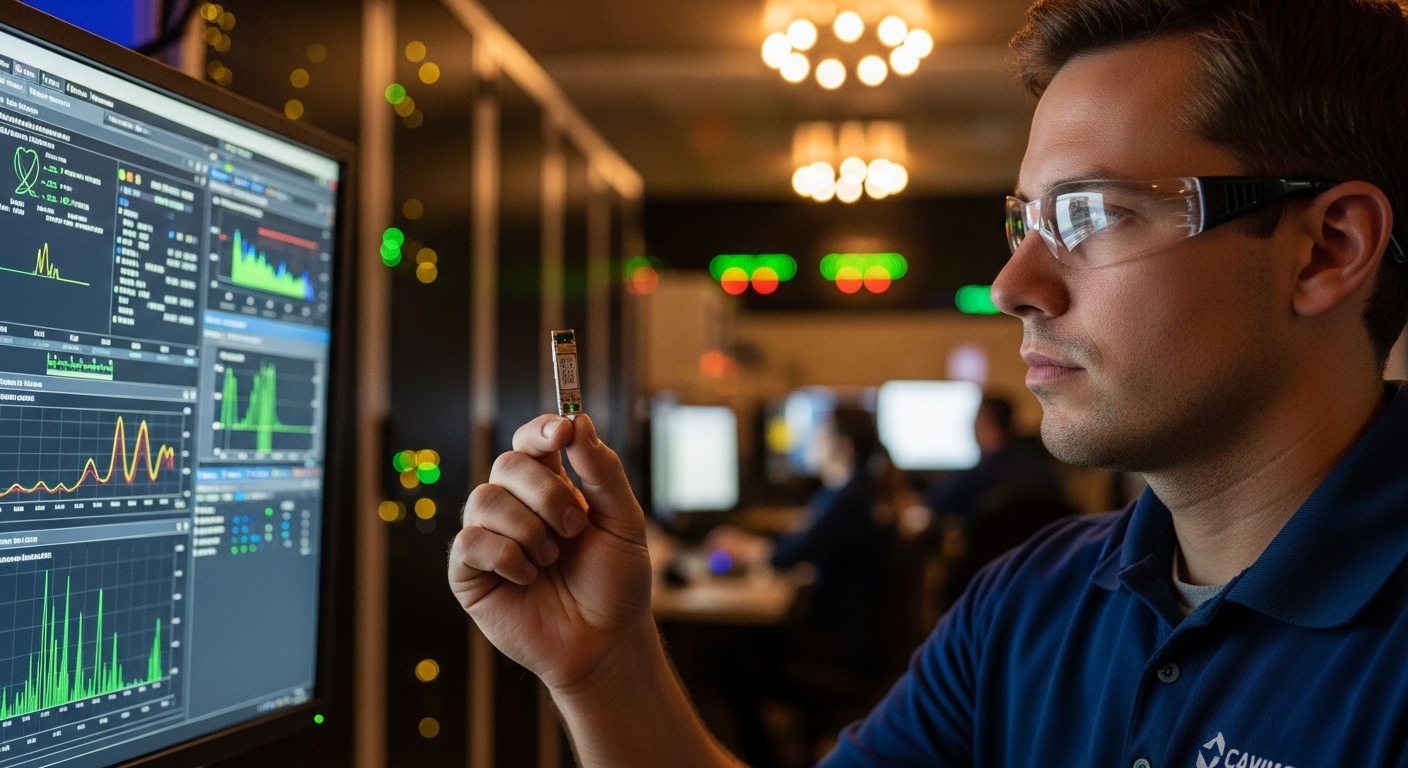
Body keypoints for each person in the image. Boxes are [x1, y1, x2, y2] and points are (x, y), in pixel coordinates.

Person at [448, 0, 1408, 764]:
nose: (1013, 285)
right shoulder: (1028, 601)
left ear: (1326, 250)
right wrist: (605, 668)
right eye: (1025, 221)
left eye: (1093, 213)